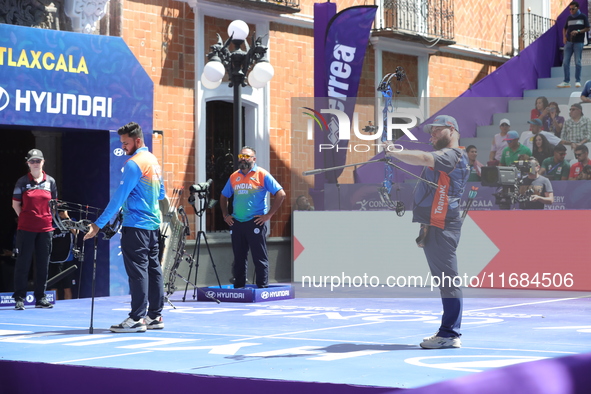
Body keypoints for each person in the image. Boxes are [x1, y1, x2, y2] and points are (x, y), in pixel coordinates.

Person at [384, 115, 469, 349]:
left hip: (441, 224)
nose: (431, 135)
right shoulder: (447, 157)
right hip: (435, 223)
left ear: (451, 131)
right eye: (430, 132)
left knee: (448, 280)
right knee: (445, 280)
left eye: (436, 131)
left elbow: (422, 157)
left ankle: (450, 333)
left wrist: (393, 152)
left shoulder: (452, 155)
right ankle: (449, 331)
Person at [84, 122, 166, 333]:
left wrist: (97, 225)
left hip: (136, 226)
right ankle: (155, 316)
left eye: (126, 143)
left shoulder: (134, 163)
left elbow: (118, 198)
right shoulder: (153, 161)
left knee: (138, 272)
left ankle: (137, 319)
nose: (123, 147)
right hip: (153, 226)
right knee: (153, 269)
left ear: (137, 140)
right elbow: (161, 194)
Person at [220, 146, 286, 289]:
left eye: (246, 157)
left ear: (253, 159)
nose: (242, 159)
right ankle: (239, 287)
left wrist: (268, 215)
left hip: (255, 222)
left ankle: (262, 286)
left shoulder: (261, 174)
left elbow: (281, 193)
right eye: (241, 156)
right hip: (237, 222)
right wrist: (226, 215)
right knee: (239, 257)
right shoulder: (234, 176)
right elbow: (224, 195)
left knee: (259, 256)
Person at [12, 149, 58, 310]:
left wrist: (45, 218)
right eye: (32, 161)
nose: (35, 164)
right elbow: (15, 204)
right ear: (28, 163)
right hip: (26, 228)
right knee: (23, 263)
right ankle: (19, 298)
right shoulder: (22, 181)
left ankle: (41, 297)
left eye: (38, 161)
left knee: (43, 264)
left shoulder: (50, 181)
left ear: (43, 162)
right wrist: (26, 217)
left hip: (46, 229)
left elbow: (54, 205)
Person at [557, 2, 590, 89]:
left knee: (578, 62)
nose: (571, 11)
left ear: (577, 8)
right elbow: (564, 28)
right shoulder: (569, 17)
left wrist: (578, 31)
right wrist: (564, 37)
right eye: (570, 9)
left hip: (578, 42)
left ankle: (577, 81)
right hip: (569, 42)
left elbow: (588, 28)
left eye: (573, 9)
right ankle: (566, 81)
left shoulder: (583, 17)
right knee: (565, 62)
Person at [48, 211, 78, 300]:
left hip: (67, 259)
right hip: (53, 259)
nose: (59, 213)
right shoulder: (51, 223)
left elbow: (76, 232)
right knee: (53, 287)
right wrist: (52, 216)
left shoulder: (70, 221)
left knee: (67, 287)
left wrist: (66, 217)